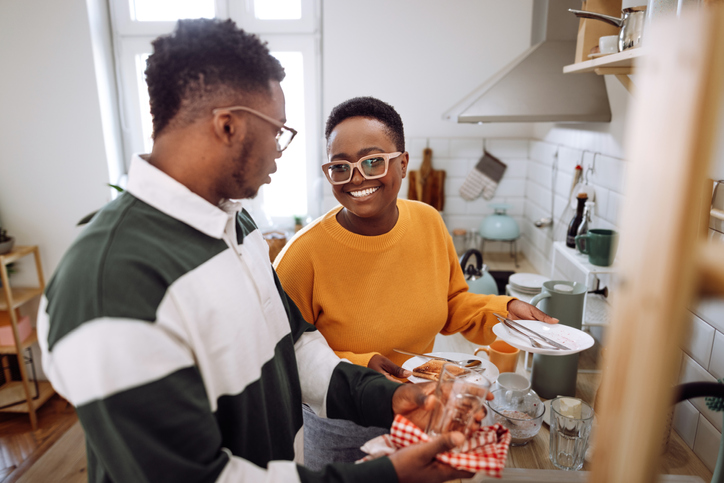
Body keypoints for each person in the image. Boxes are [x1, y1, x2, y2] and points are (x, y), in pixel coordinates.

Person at [36, 20, 486, 483]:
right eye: (277, 131)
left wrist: (384, 396)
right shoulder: (107, 283)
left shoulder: (238, 226)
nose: (279, 153)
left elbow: (293, 343)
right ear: (228, 125)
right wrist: (383, 478)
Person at [273, 96, 558, 468]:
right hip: (342, 426)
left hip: (420, 410)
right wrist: (359, 367)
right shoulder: (301, 256)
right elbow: (283, 358)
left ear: (403, 163)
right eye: (340, 167)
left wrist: (506, 311)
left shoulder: (428, 221)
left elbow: (453, 304)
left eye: (373, 161)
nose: (356, 178)